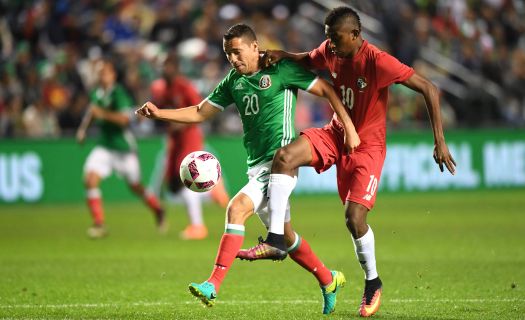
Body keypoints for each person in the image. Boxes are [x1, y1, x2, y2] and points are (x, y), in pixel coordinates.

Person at [238, 6, 457, 318]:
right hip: (334, 133)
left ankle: (373, 282)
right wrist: (283, 53)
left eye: (337, 39)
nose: (332, 45)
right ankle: (276, 239)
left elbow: (429, 88)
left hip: (367, 148)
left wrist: (440, 140)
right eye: (328, 38)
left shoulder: (378, 61)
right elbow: (308, 59)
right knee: (285, 157)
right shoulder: (330, 49)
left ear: (356, 35)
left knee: (354, 218)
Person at [135, 23, 360, 314]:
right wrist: (159, 113)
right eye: (228, 54)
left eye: (238, 52)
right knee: (287, 238)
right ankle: (329, 280)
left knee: (236, 207)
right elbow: (201, 111)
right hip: (256, 165)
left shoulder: (280, 70)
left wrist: (349, 128)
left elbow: (327, 89)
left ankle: (212, 284)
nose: (233, 59)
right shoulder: (233, 81)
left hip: (282, 161)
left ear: (255, 47)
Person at [76, 59, 165, 239]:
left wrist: (103, 114)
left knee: (135, 187)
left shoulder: (119, 93)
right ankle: (99, 224)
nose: (102, 76)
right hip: (105, 146)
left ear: (113, 75)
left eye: (105, 72)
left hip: (123, 147)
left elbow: (125, 120)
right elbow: (92, 113)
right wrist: (83, 130)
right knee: (90, 179)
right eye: (100, 73)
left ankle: (158, 209)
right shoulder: (96, 93)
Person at [150, 53, 230, 240]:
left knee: (186, 176)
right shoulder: (164, 90)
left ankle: (198, 226)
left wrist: (180, 123)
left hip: (189, 136)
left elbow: (199, 110)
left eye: (167, 66)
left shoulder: (184, 86)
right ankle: (213, 188)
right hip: (175, 139)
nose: (164, 70)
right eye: (162, 66)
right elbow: (162, 113)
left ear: (175, 68)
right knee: (173, 185)